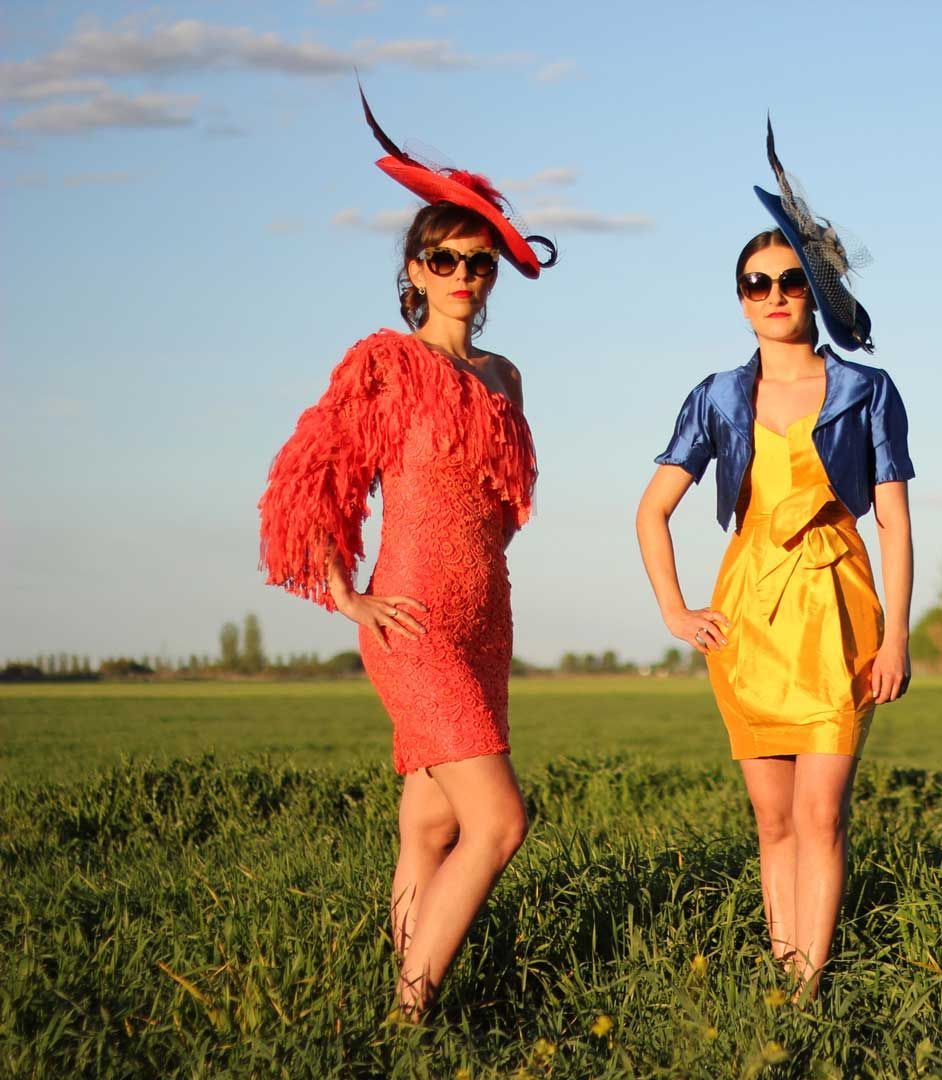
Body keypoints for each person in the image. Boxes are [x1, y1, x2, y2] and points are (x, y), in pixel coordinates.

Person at [257, 87, 556, 1020]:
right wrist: (347, 596)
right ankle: (409, 1014)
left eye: (478, 261)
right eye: (443, 259)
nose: (463, 274)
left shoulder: (504, 377)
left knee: (430, 823)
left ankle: (401, 999)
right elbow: (312, 476)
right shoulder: (385, 363)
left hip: (485, 618)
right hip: (413, 617)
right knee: (498, 822)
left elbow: (503, 501)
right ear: (414, 271)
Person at [635, 122, 915, 999]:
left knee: (821, 813)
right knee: (772, 820)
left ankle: (808, 993)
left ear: (814, 291)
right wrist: (675, 608)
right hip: (747, 615)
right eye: (757, 284)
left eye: (791, 280)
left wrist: (897, 637)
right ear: (741, 300)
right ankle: (782, 974)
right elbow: (652, 509)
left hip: (837, 610)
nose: (775, 295)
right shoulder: (716, 396)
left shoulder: (867, 390)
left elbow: (895, 523)